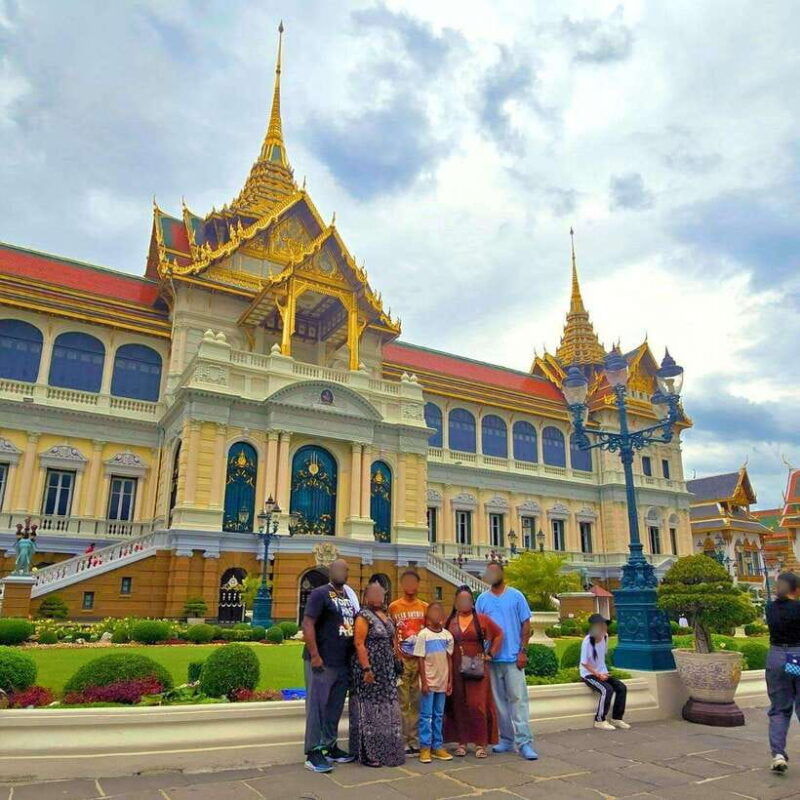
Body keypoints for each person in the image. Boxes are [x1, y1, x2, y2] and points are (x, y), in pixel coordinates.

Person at [475, 563, 538, 760]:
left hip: (513, 657)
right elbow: (479, 629)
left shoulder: (516, 596)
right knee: (499, 703)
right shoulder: (482, 600)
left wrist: (523, 651)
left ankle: (524, 742)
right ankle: (506, 739)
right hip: (493, 660)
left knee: (518, 701)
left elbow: (525, 625)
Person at [301, 558, 358, 773]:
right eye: (337, 569)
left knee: (334, 708)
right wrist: (315, 655)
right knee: (317, 707)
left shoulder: (347, 597)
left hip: (342, 662)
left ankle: (329, 746)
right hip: (322, 661)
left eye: (344, 569)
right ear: (330, 571)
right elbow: (308, 623)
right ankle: (313, 752)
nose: (341, 572)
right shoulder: (320, 594)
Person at [350, 580, 405, 767]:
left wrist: (397, 659)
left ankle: (388, 750)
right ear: (366, 596)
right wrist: (366, 668)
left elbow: (393, 640)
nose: (377, 597)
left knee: (389, 709)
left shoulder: (386, 616)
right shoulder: (363, 616)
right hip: (370, 670)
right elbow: (359, 643)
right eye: (373, 594)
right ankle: (369, 753)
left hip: (387, 670)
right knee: (370, 711)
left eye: (380, 593)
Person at [445, 585, 503, 758]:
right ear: (455, 602)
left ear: (472, 602)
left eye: (467, 599)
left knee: (477, 704)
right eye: (460, 599)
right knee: (458, 703)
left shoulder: (482, 619)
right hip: (455, 665)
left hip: (476, 666)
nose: (464, 602)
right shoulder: (450, 621)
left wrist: (490, 654)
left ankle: (480, 743)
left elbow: (499, 634)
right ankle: (461, 742)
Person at [388, 569, 428, 754]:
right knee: (402, 701)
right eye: (407, 582)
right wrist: (395, 653)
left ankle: (415, 739)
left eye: (414, 582)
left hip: (419, 661)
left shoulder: (424, 607)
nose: (410, 585)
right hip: (402, 661)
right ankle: (403, 739)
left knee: (417, 700)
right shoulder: (394, 607)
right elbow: (391, 633)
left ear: (418, 585)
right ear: (402, 584)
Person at [765, 571, 800, 773]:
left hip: (777, 656)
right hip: (795, 656)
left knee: (779, 708)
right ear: (796, 589)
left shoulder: (770, 608)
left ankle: (778, 754)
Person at [413, 602, 454, 764]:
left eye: (439, 612)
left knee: (438, 715)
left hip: (442, 682)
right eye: (433, 613)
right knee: (426, 716)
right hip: (429, 682)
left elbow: (449, 659)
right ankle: (425, 747)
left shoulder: (447, 636)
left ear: (443, 616)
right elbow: (420, 659)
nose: (436, 616)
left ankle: (437, 746)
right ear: (428, 617)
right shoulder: (423, 635)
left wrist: (450, 681)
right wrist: (424, 681)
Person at [579, 613, 630, 731]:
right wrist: (598, 674)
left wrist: (605, 672)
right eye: (601, 625)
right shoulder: (587, 641)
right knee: (606, 690)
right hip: (588, 674)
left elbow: (602, 656)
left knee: (621, 687)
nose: (604, 627)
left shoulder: (605, 637)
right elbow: (584, 663)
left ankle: (617, 718)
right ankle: (600, 720)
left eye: (605, 625)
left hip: (602, 673)